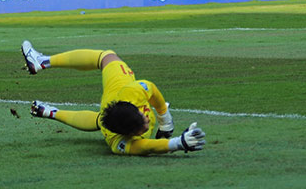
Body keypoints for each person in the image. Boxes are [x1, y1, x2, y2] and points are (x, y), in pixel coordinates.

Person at [21, 41, 206, 156]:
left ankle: (44, 63)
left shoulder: (132, 92)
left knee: (106, 56)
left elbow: (153, 90)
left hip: (117, 92)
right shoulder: (120, 143)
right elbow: (148, 147)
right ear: (131, 134)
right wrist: (178, 143)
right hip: (113, 113)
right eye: (144, 122)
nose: (148, 118)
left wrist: (165, 119)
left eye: (144, 116)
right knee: (99, 120)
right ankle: (49, 110)